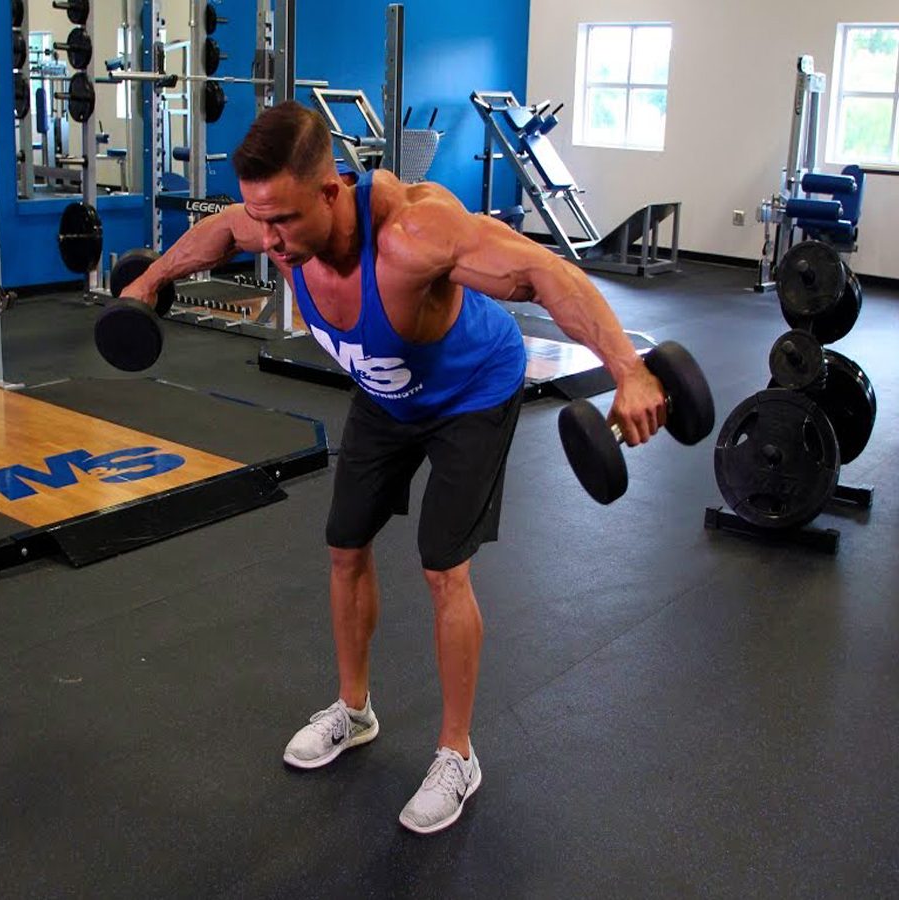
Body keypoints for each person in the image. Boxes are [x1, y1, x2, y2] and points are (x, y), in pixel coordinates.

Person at [124, 101, 667, 834]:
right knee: (345, 546)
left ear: (329, 192)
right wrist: (148, 282)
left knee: (444, 567)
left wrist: (629, 371)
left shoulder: (416, 233)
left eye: (283, 221)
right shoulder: (269, 222)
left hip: (471, 392)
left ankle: (457, 753)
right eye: (264, 221)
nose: (271, 242)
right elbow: (222, 230)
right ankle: (354, 710)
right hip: (385, 392)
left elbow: (543, 274)